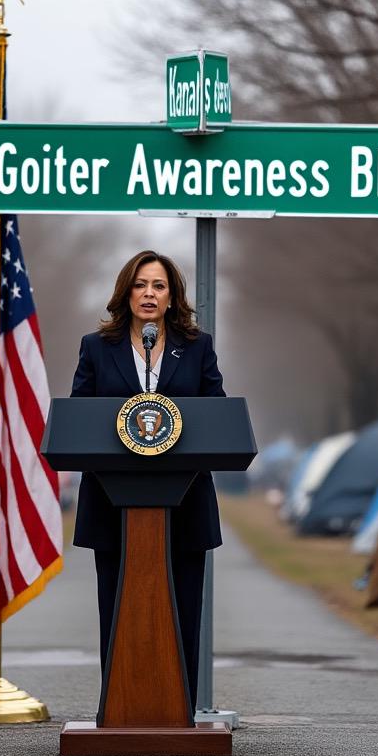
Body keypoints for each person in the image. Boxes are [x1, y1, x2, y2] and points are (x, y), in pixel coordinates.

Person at [71, 249, 225, 712]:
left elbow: (216, 415)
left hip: (184, 500)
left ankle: (180, 713)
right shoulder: (97, 347)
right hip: (112, 501)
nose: (149, 294)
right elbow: (79, 417)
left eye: (159, 286)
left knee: (183, 608)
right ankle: (116, 711)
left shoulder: (197, 346)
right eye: (140, 285)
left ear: (173, 296)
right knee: (116, 609)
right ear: (126, 292)